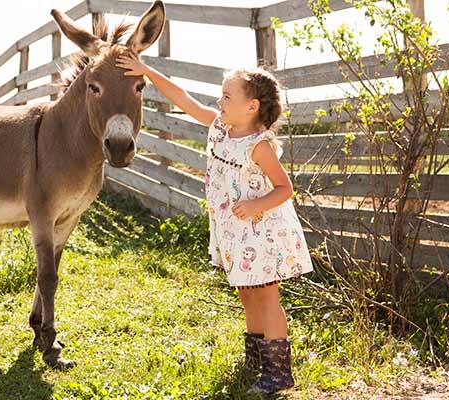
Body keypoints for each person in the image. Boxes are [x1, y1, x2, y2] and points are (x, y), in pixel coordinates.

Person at [116, 54, 314, 394]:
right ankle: (256, 360)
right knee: (246, 292)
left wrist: (254, 205)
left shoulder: (259, 146)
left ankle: (279, 373)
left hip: (261, 231)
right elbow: (183, 99)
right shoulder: (219, 129)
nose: (218, 102)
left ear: (251, 107)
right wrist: (148, 71)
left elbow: (285, 189)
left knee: (266, 296)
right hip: (235, 232)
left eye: (226, 97)